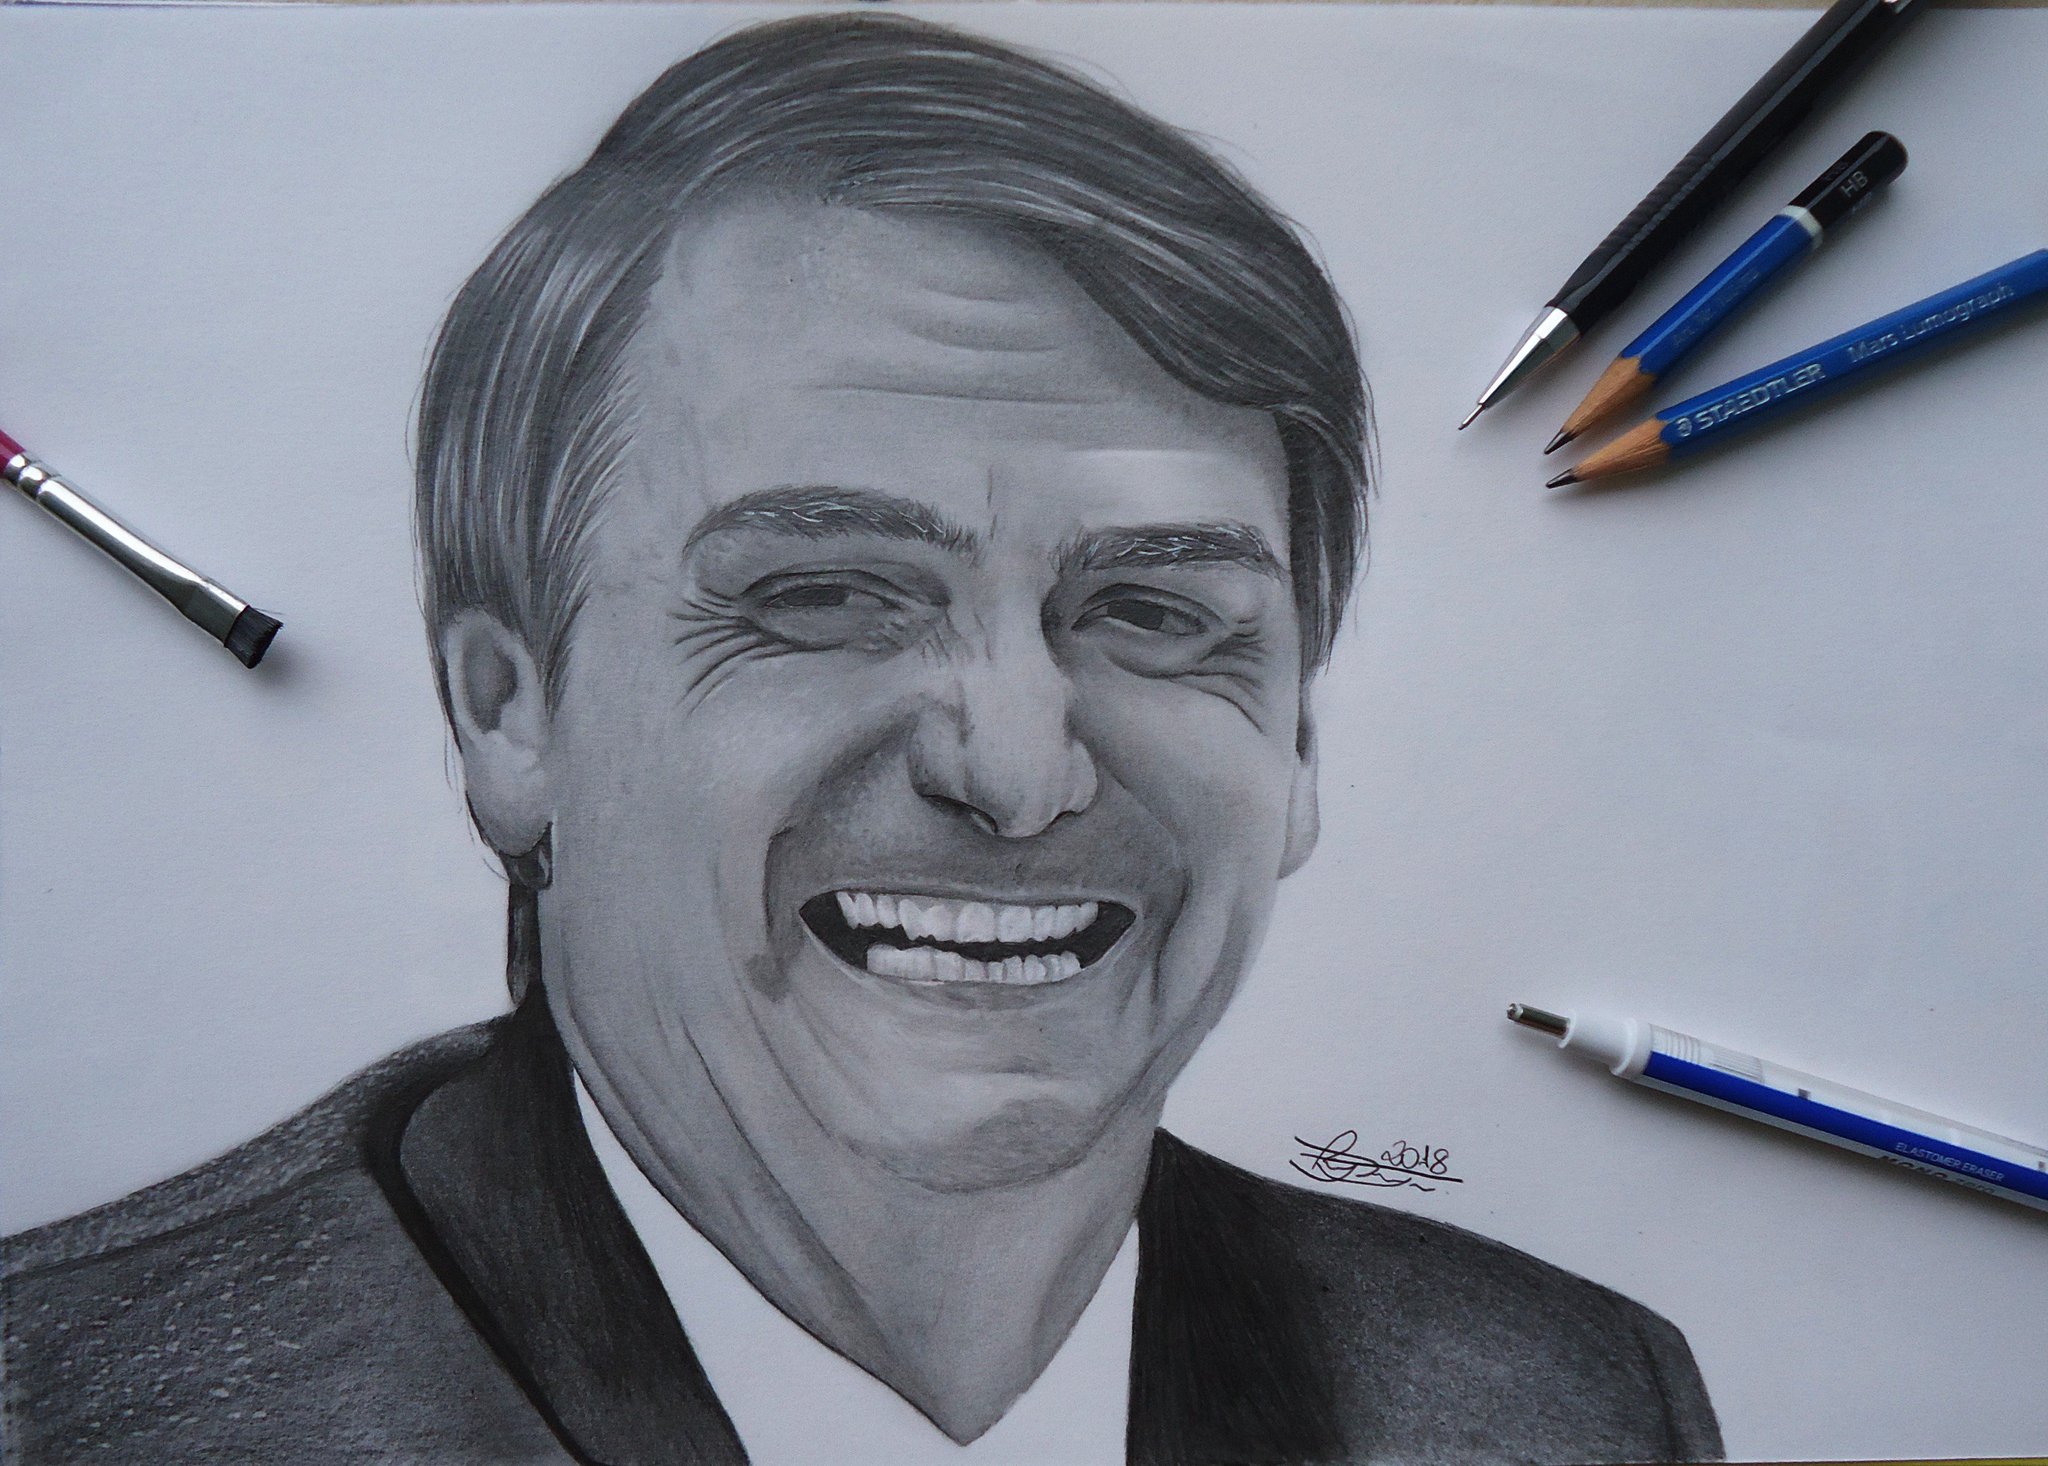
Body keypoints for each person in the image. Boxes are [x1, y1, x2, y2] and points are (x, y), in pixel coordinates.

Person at [2, 14, 1721, 1463]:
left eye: (1154, 612)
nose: (1019, 771)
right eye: (825, 595)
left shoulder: (1560, 1406)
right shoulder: (74, 1404)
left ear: (1301, 746)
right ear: (508, 712)